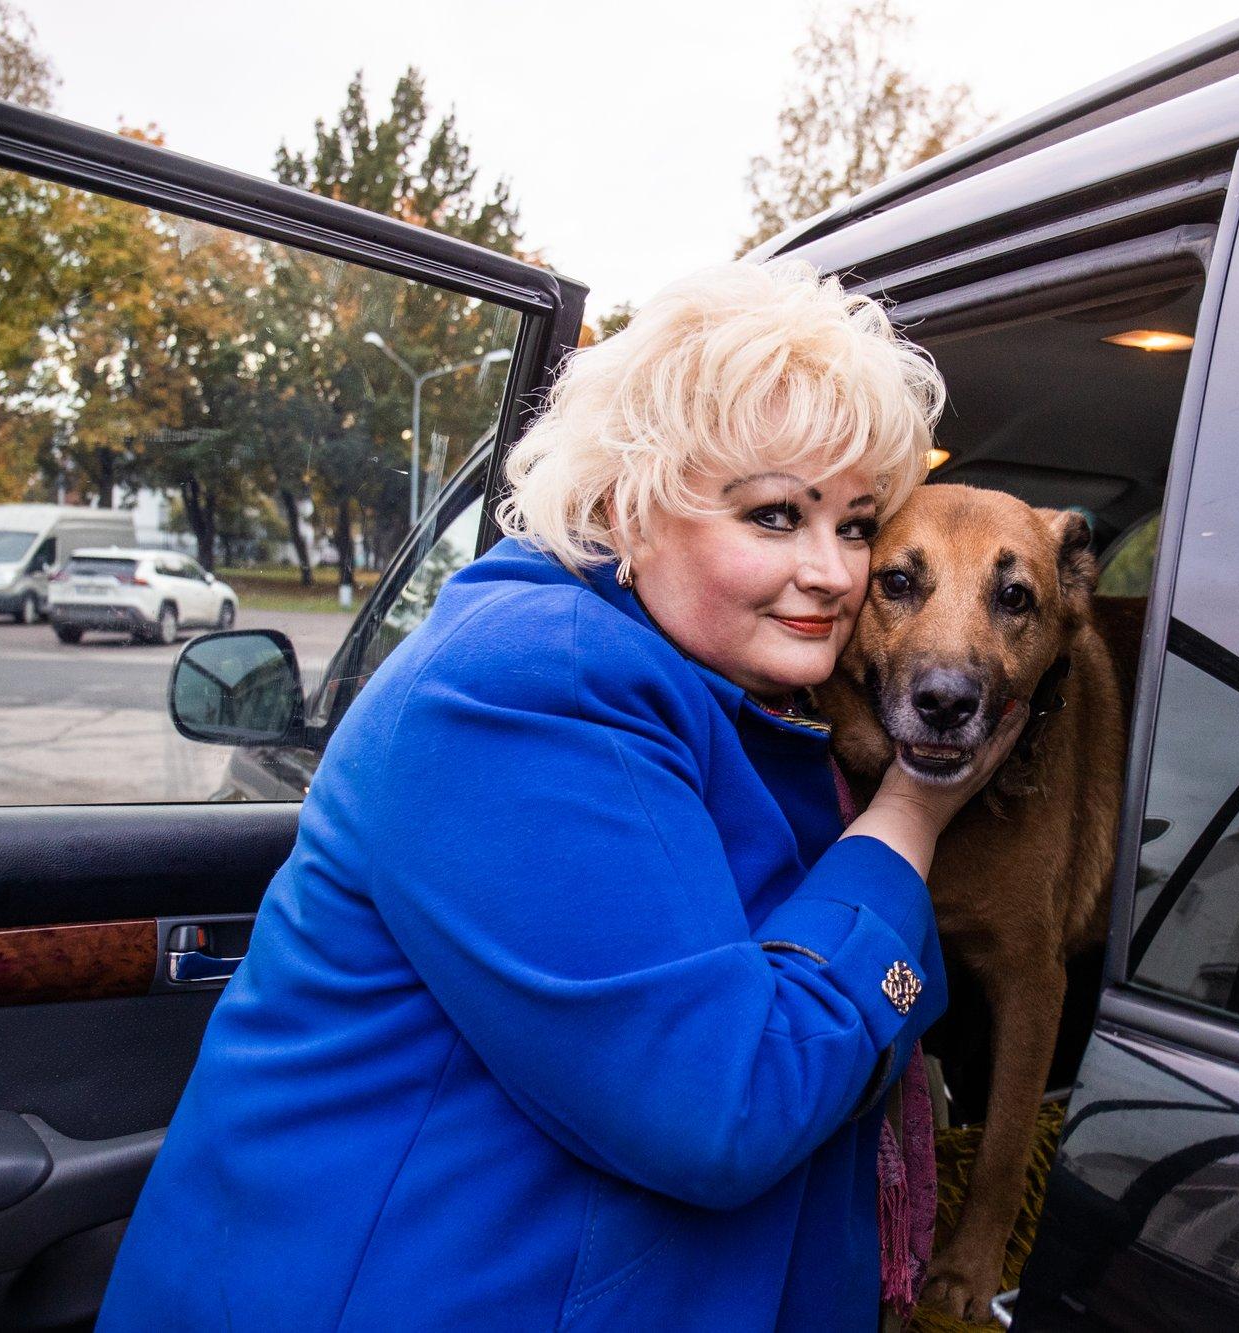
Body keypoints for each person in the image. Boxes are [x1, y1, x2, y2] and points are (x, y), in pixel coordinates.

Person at [97, 260, 1027, 1330]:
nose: (831, 571)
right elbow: (726, 1110)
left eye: (856, 525)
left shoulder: (727, 686)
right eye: (775, 515)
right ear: (625, 507)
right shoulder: (530, 684)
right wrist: (909, 817)